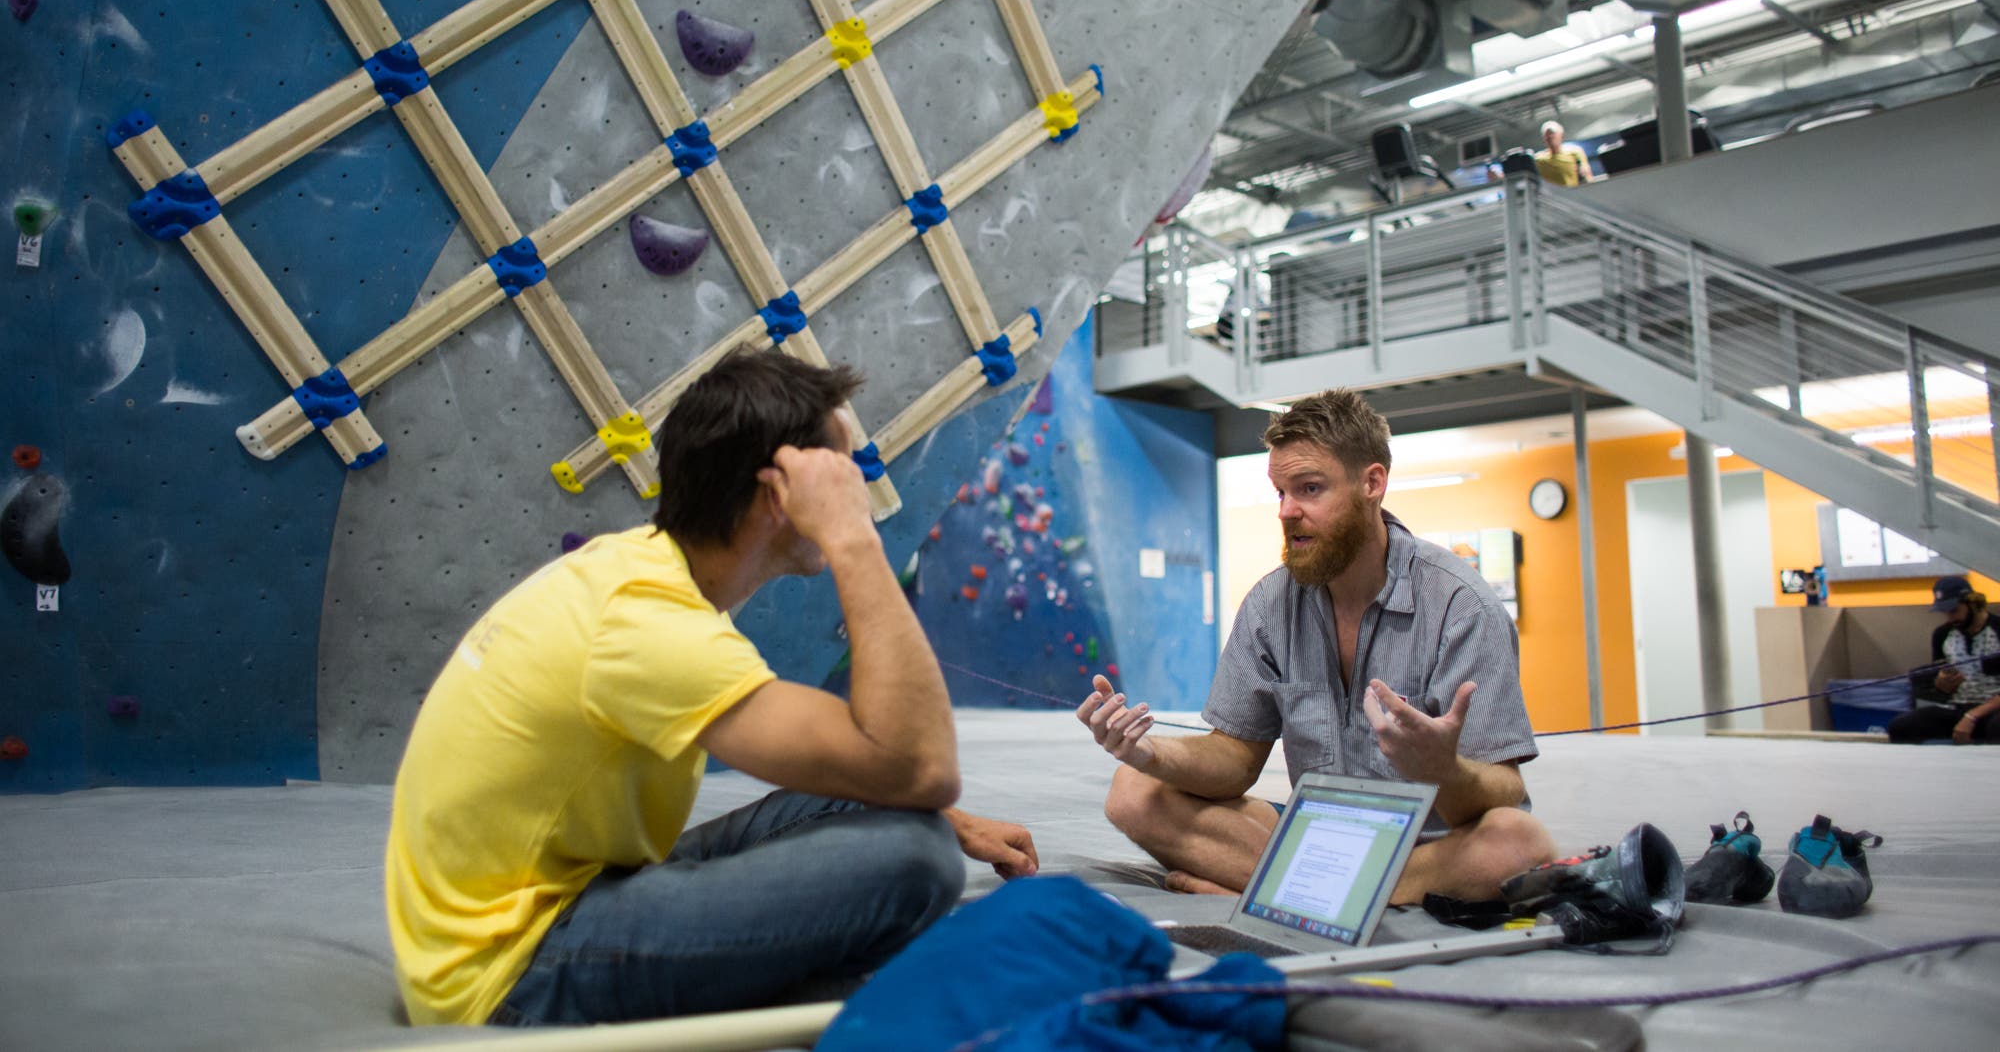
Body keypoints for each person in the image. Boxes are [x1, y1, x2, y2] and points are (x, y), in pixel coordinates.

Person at [385, 350, 1038, 1028]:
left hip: (578, 884)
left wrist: (934, 810)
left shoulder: (647, 574)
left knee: (896, 806)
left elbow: (883, 764)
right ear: (778, 493)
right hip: (512, 969)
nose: (857, 491)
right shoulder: (648, 624)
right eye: (840, 475)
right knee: (915, 857)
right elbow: (926, 768)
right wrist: (852, 539)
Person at [1078, 389, 1555, 903]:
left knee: (1516, 843)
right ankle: (1359, 895)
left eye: (1308, 489)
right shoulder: (1269, 605)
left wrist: (1445, 770)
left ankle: (1281, 887)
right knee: (1135, 790)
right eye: (1279, 492)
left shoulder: (1462, 607)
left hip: (1430, 841)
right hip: (1316, 835)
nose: (1286, 511)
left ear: (1372, 483)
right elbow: (1234, 759)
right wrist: (1152, 753)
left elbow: (1502, 793)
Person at [1887, 576, 2000, 745]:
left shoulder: (1997, 629)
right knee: (1902, 726)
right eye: (1945, 612)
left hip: (1993, 709)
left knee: (1996, 726)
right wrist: (1942, 684)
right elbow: (1942, 691)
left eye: (1954, 610)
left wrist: (1972, 716)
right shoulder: (1942, 635)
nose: (1950, 617)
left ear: (1972, 604)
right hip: (1960, 706)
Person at [1532, 120, 1595, 186]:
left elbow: (1587, 174)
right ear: (1544, 138)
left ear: (1561, 135)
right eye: (1547, 135)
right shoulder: (1539, 159)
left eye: (1553, 134)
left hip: (1574, 192)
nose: (1550, 136)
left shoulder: (1574, 152)